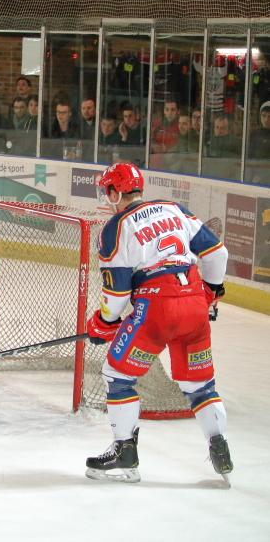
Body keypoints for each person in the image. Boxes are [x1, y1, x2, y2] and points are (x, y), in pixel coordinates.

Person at [85, 163, 232, 483]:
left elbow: (117, 293)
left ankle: (125, 450)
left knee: (117, 375)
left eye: (107, 190)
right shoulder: (174, 209)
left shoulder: (115, 227)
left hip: (156, 311)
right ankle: (219, 445)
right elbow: (218, 255)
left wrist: (104, 322)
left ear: (115, 192)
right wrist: (210, 292)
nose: (106, 196)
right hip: (194, 305)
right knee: (199, 385)